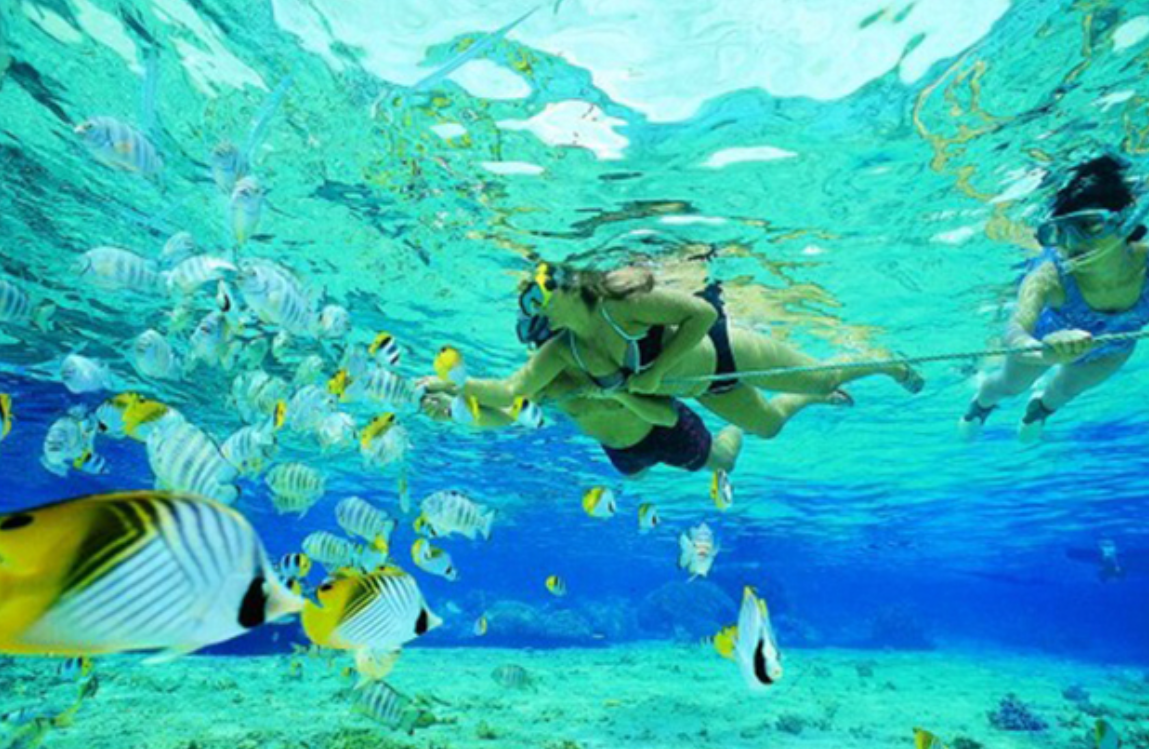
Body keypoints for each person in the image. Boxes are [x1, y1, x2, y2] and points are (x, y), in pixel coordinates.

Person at [454, 262, 919, 440]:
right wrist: (454, 393)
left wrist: (657, 375)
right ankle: (811, 398)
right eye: (529, 313)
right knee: (769, 427)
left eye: (537, 303)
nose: (539, 322)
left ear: (562, 290)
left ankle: (886, 361)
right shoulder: (568, 351)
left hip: (729, 352)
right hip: (708, 390)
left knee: (825, 376)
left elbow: (702, 315)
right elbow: (513, 393)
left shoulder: (622, 302)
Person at [959, 155, 1149, 441]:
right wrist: (1040, 350)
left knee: (1066, 391)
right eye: (1059, 231)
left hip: (1114, 347)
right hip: (1043, 342)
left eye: (1090, 225)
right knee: (1010, 386)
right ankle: (980, 405)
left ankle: (1039, 410)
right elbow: (1015, 329)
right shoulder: (1051, 276)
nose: (1071, 243)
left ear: (1123, 223)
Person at [423, 371, 744, 478]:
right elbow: (507, 413)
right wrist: (455, 411)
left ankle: (738, 424)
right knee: (638, 477)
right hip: (621, 452)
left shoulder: (602, 360)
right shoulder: (546, 381)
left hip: (666, 433)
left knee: (724, 462)